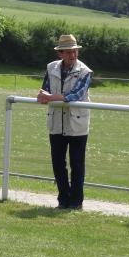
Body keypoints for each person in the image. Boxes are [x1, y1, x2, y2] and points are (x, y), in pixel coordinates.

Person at [37, 34, 93, 210]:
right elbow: (43, 90)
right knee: (57, 163)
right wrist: (42, 96)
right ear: (60, 53)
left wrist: (49, 97)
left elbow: (74, 96)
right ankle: (63, 200)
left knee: (77, 164)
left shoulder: (86, 72)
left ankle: (76, 202)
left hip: (77, 125)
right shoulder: (51, 68)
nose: (73, 55)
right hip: (56, 124)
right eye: (69, 52)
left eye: (75, 51)